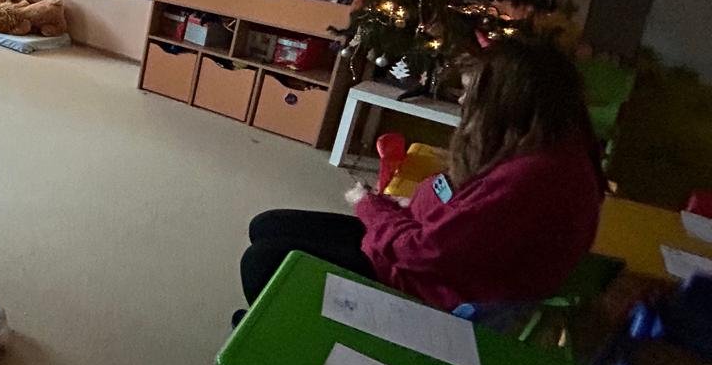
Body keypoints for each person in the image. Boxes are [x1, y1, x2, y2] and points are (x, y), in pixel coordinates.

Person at [238, 37, 605, 312]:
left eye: (470, 93)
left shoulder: (533, 177)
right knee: (268, 225)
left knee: (263, 260)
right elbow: (462, 219)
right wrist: (405, 205)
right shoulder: (542, 149)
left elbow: (423, 252)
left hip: (423, 287)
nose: (462, 101)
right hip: (416, 245)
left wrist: (369, 205)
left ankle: (286, 335)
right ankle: (274, 315)